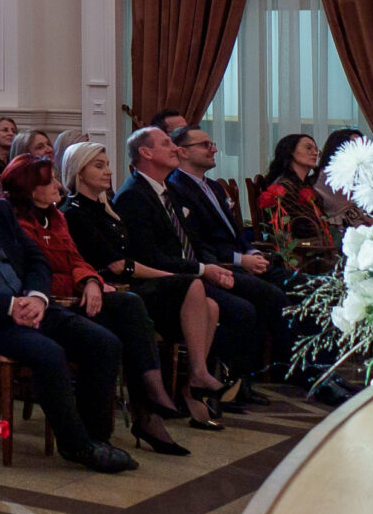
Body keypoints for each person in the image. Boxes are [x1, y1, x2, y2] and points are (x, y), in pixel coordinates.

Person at [0, 159, 133, 473]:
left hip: (34, 305)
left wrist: (36, 297)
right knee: (49, 354)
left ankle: (98, 437)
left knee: (104, 343)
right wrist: (9, 305)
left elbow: (36, 260)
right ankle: (77, 446)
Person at [0, 155, 186, 454]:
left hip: (75, 297)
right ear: (30, 188)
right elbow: (38, 273)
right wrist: (84, 283)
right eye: (49, 182)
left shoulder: (55, 217)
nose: (58, 186)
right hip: (50, 303)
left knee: (129, 308)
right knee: (116, 332)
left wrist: (90, 281)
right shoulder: (16, 222)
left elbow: (76, 260)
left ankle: (145, 404)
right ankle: (143, 409)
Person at [106, 131, 261, 416]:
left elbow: (191, 240)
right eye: (166, 143)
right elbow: (148, 256)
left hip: (186, 277)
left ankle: (197, 384)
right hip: (155, 284)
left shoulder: (167, 191)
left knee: (219, 304)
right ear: (146, 153)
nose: (175, 149)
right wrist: (202, 270)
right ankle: (206, 381)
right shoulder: (133, 196)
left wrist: (211, 267)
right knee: (235, 308)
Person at [166, 123, 291, 373]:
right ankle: (286, 367)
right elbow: (199, 242)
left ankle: (307, 361)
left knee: (301, 284)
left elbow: (235, 232)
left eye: (212, 144)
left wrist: (252, 252)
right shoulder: (176, 188)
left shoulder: (213, 187)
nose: (214, 149)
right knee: (271, 296)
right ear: (183, 152)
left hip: (241, 260)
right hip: (218, 265)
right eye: (205, 145)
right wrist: (239, 260)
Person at [256, 133, 340, 279]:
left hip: (315, 246)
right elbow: (297, 227)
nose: (315, 153)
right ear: (291, 152)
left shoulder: (306, 185)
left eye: (316, 149)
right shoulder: (283, 187)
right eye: (308, 148)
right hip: (300, 253)